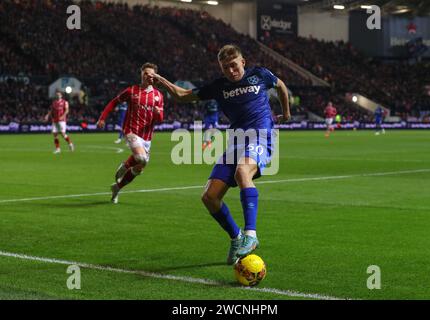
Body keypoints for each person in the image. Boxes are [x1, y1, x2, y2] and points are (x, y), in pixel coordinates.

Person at [153, 44, 290, 264]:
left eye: (234, 65)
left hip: (261, 135)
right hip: (236, 141)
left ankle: (251, 235)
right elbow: (182, 95)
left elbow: (281, 86)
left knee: (242, 171)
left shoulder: (260, 75)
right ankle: (236, 237)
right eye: (225, 67)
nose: (231, 71)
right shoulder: (219, 86)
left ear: (242, 62)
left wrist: (286, 113)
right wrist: (161, 80)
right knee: (209, 197)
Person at [96, 63, 164, 203]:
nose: (147, 76)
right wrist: (102, 118)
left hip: (147, 137)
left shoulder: (158, 96)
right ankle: (125, 165)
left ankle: (117, 188)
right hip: (131, 131)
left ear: (154, 76)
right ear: (141, 74)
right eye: (145, 73)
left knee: (139, 168)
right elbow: (113, 102)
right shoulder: (132, 90)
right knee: (141, 158)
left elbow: (160, 120)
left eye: (150, 74)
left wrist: (158, 114)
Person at [44, 90, 74, 154]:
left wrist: (63, 116)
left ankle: (70, 144)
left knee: (63, 134)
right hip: (55, 120)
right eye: (57, 95)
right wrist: (47, 115)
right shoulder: (54, 102)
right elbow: (51, 110)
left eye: (59, 95)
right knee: (55, 134)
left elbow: (67, 110)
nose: (57, 96)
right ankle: (58, 149)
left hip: (62, 120)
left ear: (61, 95)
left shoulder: (65, 102)